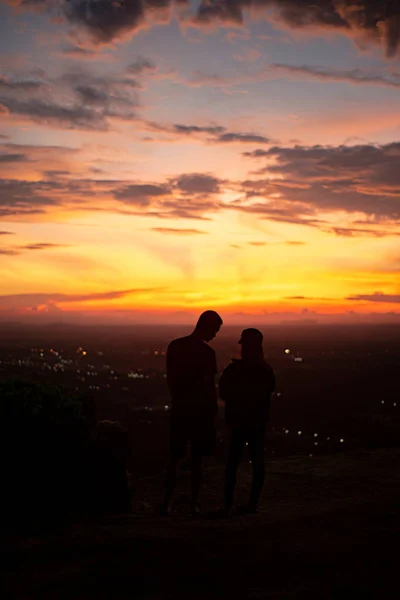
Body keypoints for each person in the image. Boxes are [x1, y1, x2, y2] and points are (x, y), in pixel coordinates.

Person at [161, 310, 223, 516]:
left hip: (180, 408)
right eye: (215, 330)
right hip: (199, 411)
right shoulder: (207, 353)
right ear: (206, 326)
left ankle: (165, 503)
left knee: (174, 458)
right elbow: (209, 385)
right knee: (196, 459)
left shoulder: (175, 346)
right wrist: (212, 409)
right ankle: (193, 503)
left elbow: (170, 379)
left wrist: (178, 399)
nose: (215, 335)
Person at [217, 328, 275, 516]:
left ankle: (228, 505)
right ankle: (251, 504)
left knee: (233, 463)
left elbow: (223, 393)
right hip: (256, 422)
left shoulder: (235, 370)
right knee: (256, 461)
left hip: (238, 422)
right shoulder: (265, 371)